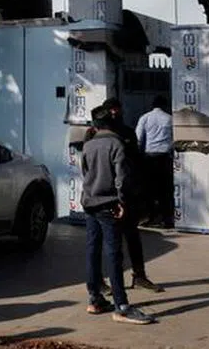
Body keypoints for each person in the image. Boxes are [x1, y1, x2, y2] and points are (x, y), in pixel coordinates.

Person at [81, 104, 155, 325]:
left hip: (90, 203)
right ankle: (121, 306)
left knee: (92, 250)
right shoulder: (116, 144)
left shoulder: (88, 145)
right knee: (114, 254)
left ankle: (95, 298)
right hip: (109, 204)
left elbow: (85, 174)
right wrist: (122, 201)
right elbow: (122, 178)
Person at [91, 98, 163, 293]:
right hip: (104, 197)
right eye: (111, 112)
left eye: (117, 110)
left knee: (132, 237)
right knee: (102, 244)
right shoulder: (94, 137)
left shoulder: (127, 133)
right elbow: (89, 169)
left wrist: (138, 191)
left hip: (126, 195)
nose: (115, 114)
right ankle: (102, 284)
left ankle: (139, 276)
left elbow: (134, 163)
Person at [136, 96, 175, 228]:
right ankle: (167, 219)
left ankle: (151, 217)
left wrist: (138, 155)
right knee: (165, 190)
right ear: (164, 105)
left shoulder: (145, 118)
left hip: (149, 158)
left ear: (152, 105)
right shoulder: (170, 118)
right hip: (165, 157)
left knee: (149, 189)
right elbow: (175, 139)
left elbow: (139, 139)